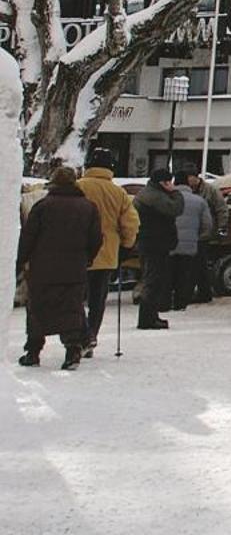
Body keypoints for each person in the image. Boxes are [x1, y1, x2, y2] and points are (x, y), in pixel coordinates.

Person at [15, 167, 102, 370]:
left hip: (42, 269)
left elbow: (28, 237)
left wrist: (21, 260)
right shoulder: (89, 208)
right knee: (71, 309)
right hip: (74, 269)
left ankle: (33, 352)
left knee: (37, 308)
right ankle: (72, 351)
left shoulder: (42, 206)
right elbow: (96, 239)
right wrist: (86, 259)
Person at [76, 149, 138, 356]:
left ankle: (81, 335)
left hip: (78, 253)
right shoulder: (118, 193)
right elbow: (131, 223)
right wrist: (126, 245)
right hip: (107, 254)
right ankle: (91, 335)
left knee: (75, 298)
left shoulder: (78, 187)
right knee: (97, 300)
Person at [132, 168, 182, 330]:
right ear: (163, 182)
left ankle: (151, 315)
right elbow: (175, 209)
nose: (172, 185)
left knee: (152, 279)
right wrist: (176, 193)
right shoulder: (155, 196)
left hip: (149, 242)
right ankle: (147, 319)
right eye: (169, 182)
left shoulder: (147, 193)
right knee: (153, 281)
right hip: (155, 243)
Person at [169, 171, 215, 312]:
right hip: (190, 245)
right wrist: (198, 238)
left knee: (169, 272)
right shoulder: (199, 201)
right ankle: (181, 302)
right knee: (185, 274)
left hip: (169, 244)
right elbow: (207, 225)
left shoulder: (167, 199)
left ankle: (166, 300)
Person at [183, 170, 228, 303]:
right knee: (200, 265)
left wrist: (221, 227)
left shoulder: (210, 190)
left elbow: (221, 208)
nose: (190, 185)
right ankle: (204, 292)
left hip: (205, 232)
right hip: (192, 232)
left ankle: (200, 292)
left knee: (198, 264)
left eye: (192, 180)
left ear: (197, 178)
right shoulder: (187, 189)